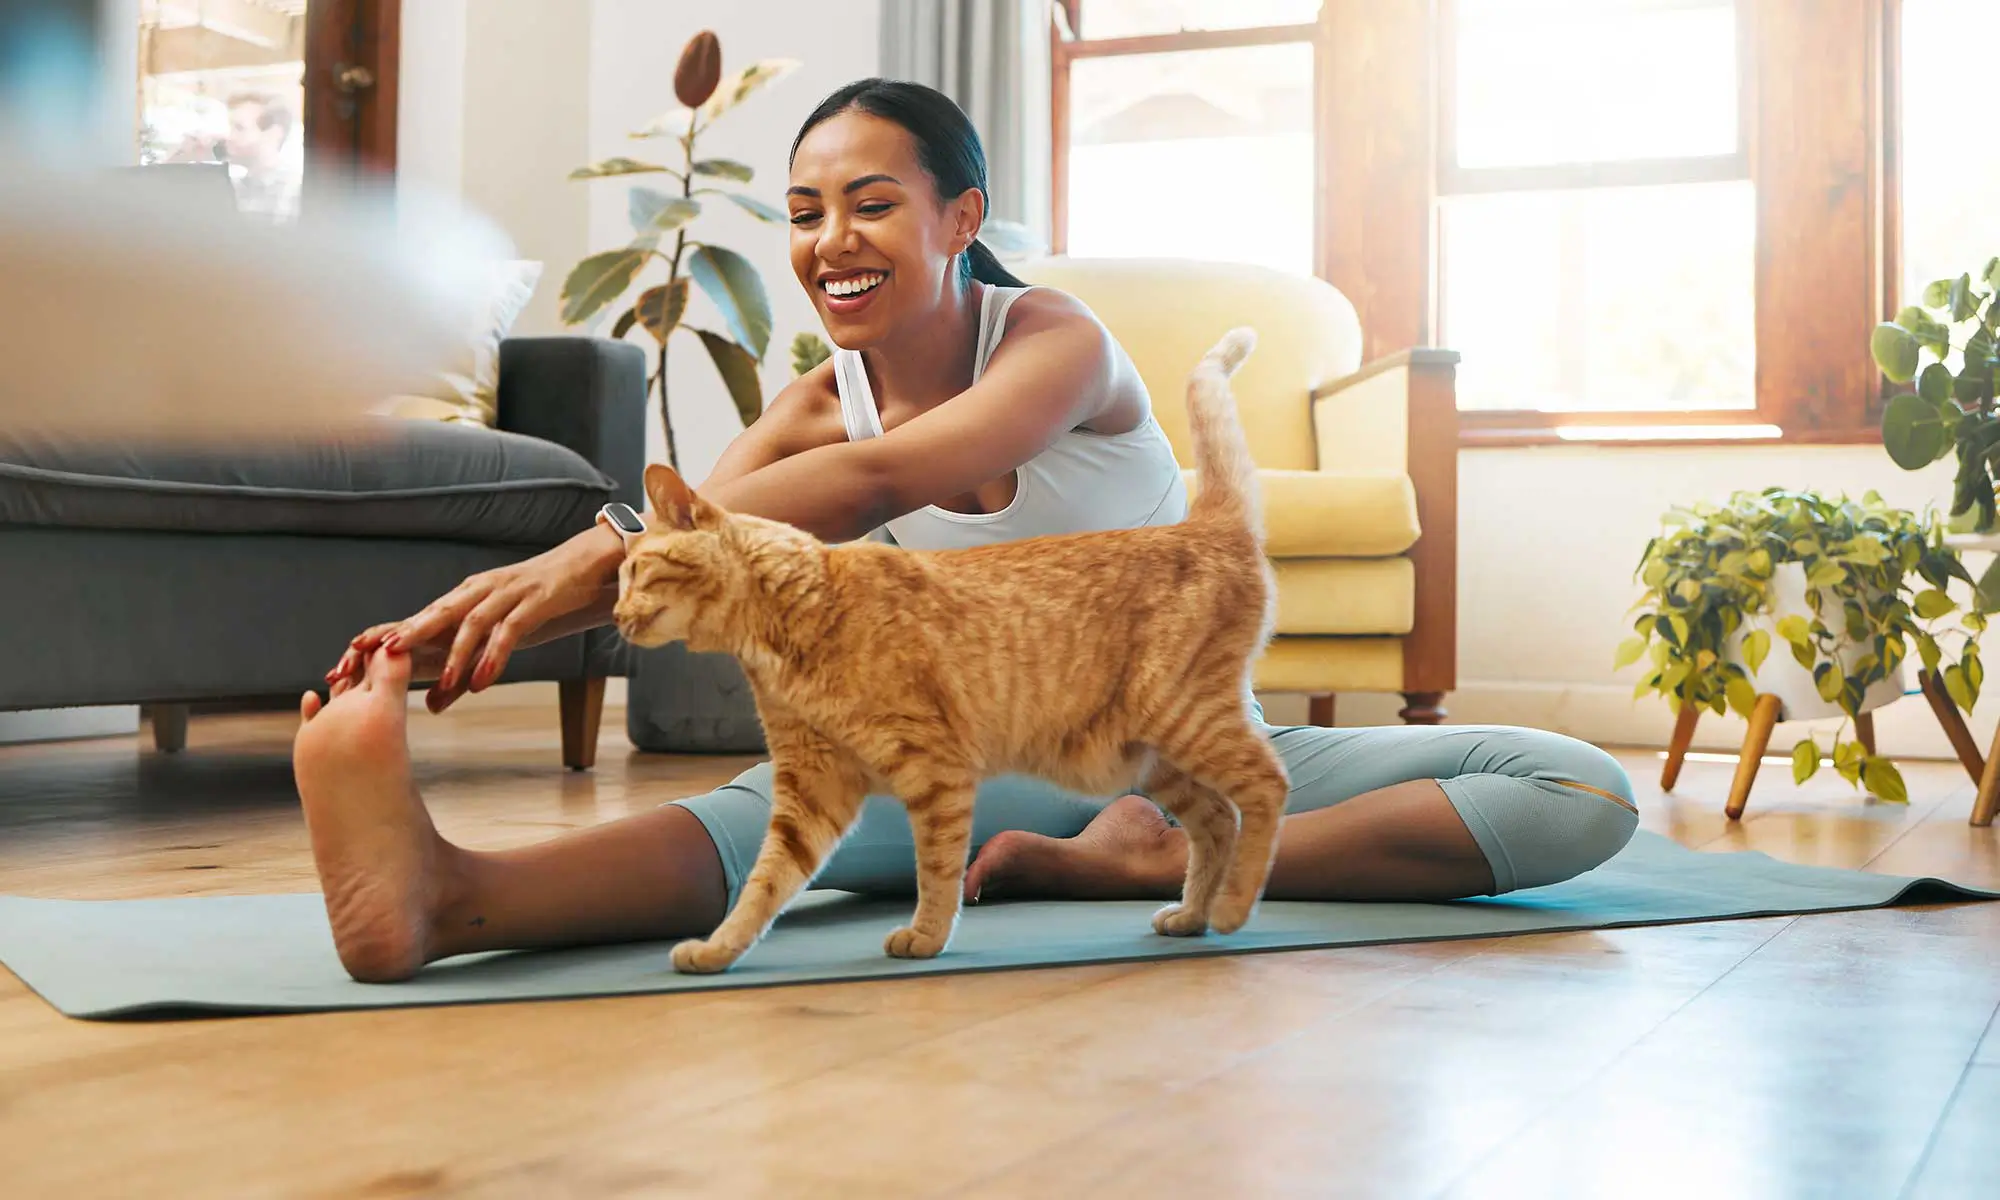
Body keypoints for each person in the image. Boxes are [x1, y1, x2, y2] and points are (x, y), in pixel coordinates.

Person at [296, 78, 1638, 984]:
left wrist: (578, 552)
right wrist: (478, 615)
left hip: (1181, 745)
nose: (831, 242)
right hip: (947, 759)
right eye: (806, 214)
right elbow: (693, 556)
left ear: (961, 219)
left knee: (1581, 791)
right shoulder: (814, 402)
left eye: (872, 202)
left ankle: (1148, 856)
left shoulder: (1059, 344)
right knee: (774, 814)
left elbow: (889, 480)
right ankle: (445, 894)